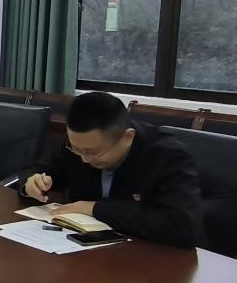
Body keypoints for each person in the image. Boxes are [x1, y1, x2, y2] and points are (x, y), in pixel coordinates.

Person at [21, 91, 204, 248]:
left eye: (93, 153)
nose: (84, 159)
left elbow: (182, 226)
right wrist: (32, 182)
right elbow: (39, 168)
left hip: (149, 261)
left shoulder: (167, 156)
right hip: (83, 250)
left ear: (127, 137)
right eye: (77, 149)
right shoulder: (81, 144)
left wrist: (95, 208)